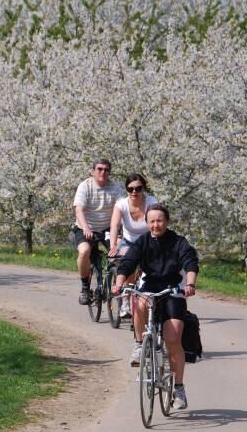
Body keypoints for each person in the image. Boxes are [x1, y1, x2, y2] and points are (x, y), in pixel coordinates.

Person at [112, 204, 199, 410]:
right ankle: (139, 343)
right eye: (151, 221)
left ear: (166, 221)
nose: (155, 225)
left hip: (172, 290)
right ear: (147, 223)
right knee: (140, 301)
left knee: (173, 337)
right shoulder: (142, 241)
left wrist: (190, 283)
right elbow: (128, 262)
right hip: (150, 286)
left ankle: (178, 387)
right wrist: (119, 283)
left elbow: (190, 261)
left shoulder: (178, 242)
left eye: (159, 220)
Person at [73, 158, 125, 305]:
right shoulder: (85, 186)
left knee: (121, 252)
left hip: (108, 228)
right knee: (84, 251)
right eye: (99, 169)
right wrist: (86, 228)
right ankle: (85, 287)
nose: (103, 172)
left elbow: (123, 208)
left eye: (106, 170)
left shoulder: (115, 188)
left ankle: (118, 284)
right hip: (86, 226)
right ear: (93, 171)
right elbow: (79, 210)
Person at [108, 173, 158, 317]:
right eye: (130, 189)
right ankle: (125, 301)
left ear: (144, 188)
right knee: (127, 266)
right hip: (128, 242)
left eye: (138, 188)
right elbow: (114, 225)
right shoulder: (121, 205)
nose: (134, 192)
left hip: (148, 242)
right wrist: (113, 245)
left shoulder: (151, 202)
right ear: (127, 190)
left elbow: (157, 223)